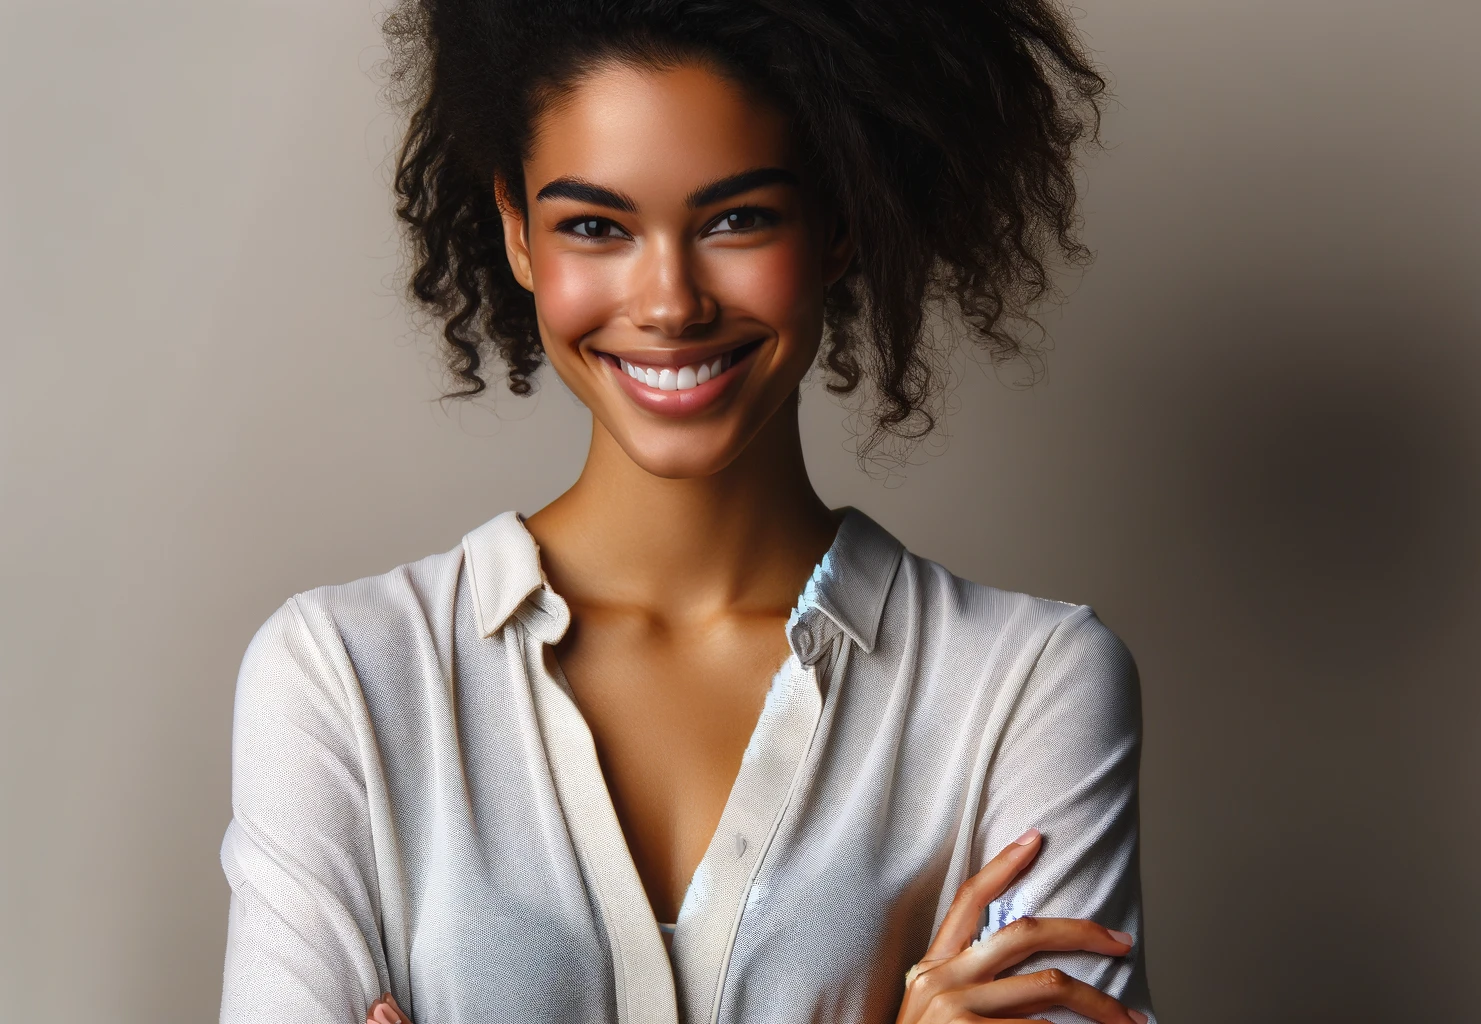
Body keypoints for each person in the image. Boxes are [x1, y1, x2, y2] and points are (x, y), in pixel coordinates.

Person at [218, 1, 1153, 1022]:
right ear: (516, 232)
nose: (670, 302)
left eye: (736, 219)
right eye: (594, 226)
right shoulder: (341, 677)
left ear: (838, 223)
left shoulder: (1024, 686)